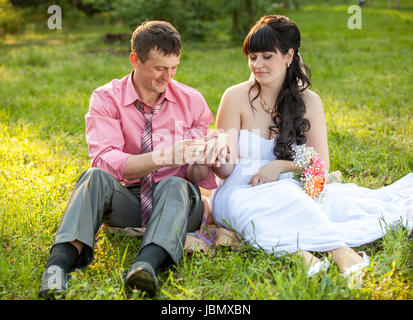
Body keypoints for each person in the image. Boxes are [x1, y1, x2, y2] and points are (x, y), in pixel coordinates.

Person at [211, 15, 413, 287]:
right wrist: (215, 159)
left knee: (290, 193)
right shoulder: (234, 96)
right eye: (252, 56)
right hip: (238, 189)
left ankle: (307, 256)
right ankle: (340, 252)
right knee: (276, 198)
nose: (257, 64)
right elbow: (226, 169)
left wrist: (280, 166)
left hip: (288, 184)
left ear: (288, 56)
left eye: (267, 56)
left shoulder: (309, 101)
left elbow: (321, 163)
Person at [38, 20, 229, 298]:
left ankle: (145, 267)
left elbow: (196, 178)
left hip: (178, 206)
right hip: (128, 200)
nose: (168, 77)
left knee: (176, 184)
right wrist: (163, 156)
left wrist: (206, 154)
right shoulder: (106, 98)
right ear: (135, 60)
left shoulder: (192, 101)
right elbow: (105, 160)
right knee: (93, 176)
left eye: (174, 67)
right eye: (160, 68)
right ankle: (57, 267)